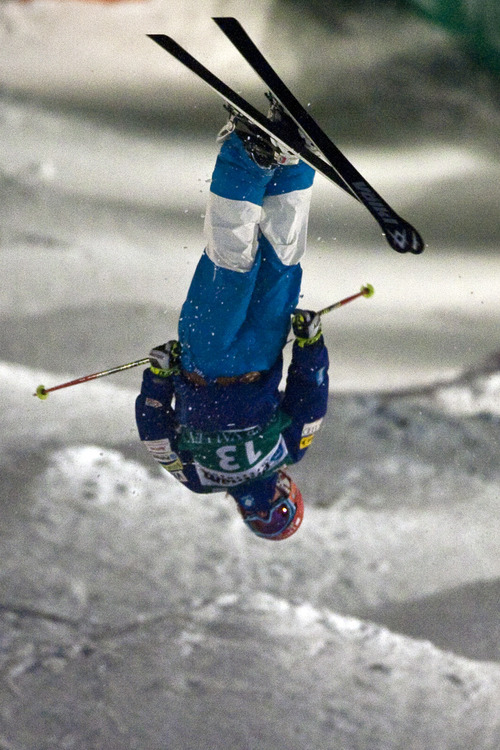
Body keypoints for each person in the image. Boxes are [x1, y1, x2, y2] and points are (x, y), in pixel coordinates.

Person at [135, 104, 329, 540]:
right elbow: (154, 432)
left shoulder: (213, 475)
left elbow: (311, 396)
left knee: (258, 265)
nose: (268, 500)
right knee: (249, 265)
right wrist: (159, 379)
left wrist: (159, 379)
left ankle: (264, 159)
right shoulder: (207, 476)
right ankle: (277, 160)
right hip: (224, 359)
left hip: (234, 357)